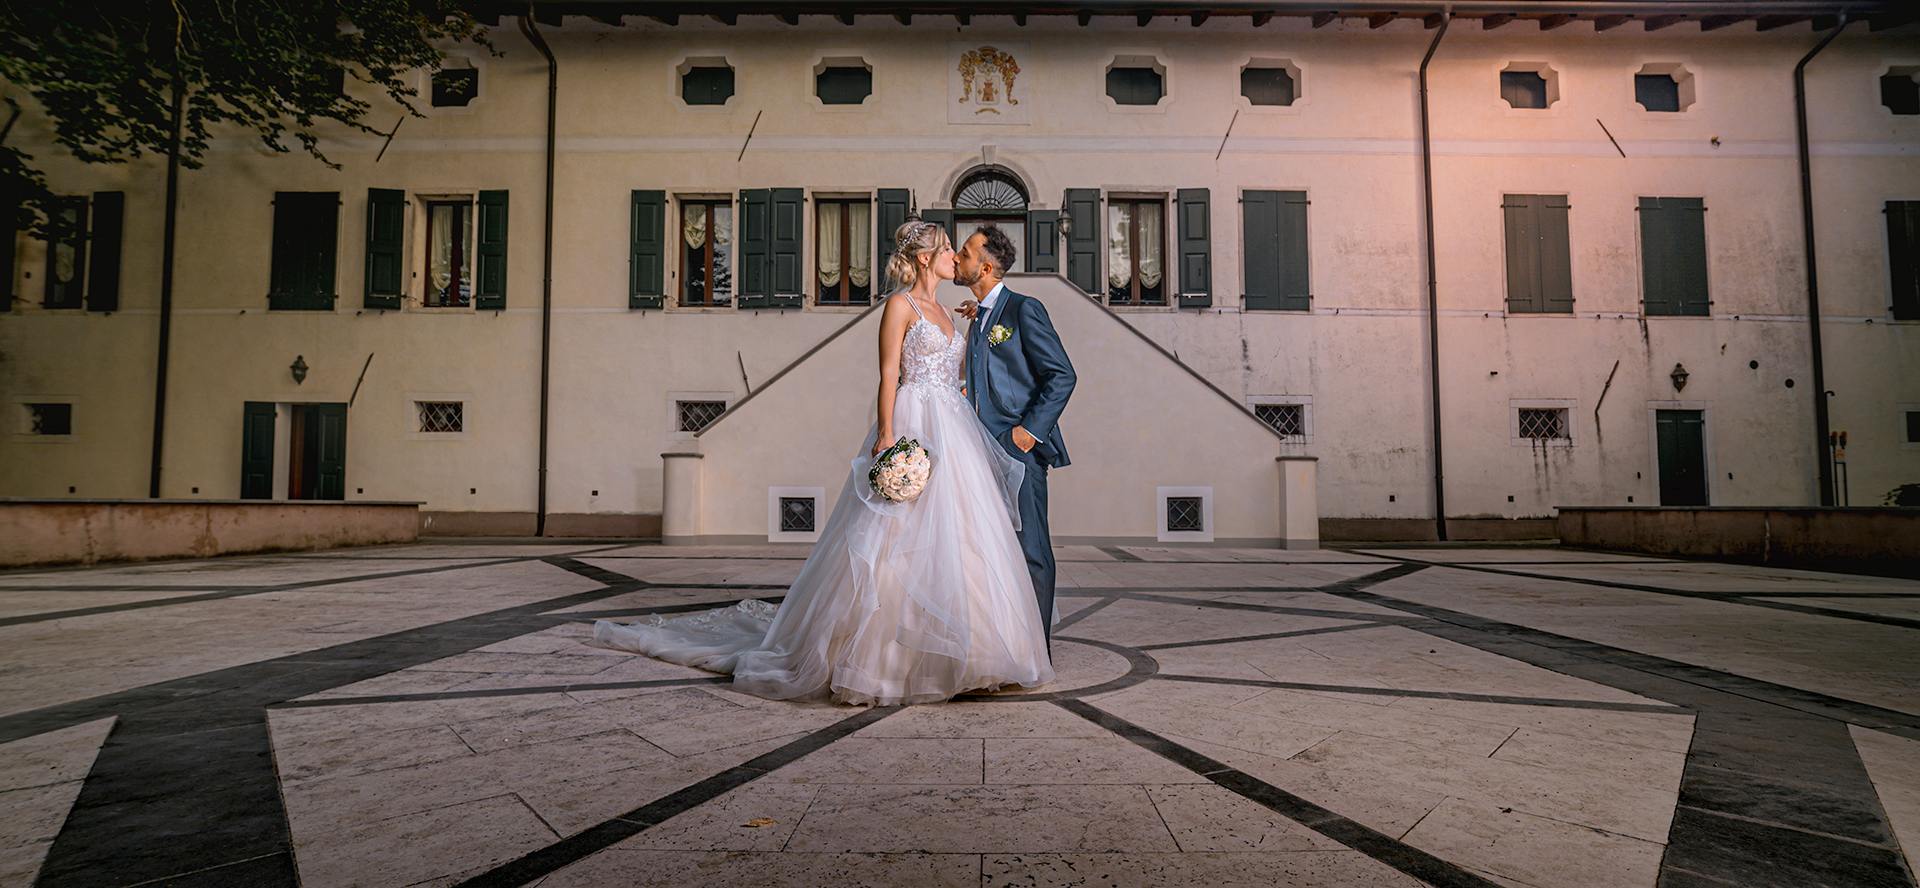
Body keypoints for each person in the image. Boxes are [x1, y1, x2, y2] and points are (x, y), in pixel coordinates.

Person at [591, 221, 1054, 706]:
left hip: (953, 426)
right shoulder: (900, 306)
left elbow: (960, 372)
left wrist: (975, 326)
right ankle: (888, 660)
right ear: (923, 259)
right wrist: (887, 431)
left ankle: (974, 654)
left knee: (960, 534)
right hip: (914, 418)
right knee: (894, 534)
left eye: (956, 253)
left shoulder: (951, 313)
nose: (952, 259)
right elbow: (889, 372)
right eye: (944, 251)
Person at [955, 225, 1077, 650]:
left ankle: (1036, 650)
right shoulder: (979, 315)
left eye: (966, 253)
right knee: (986, 547)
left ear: (986, 266)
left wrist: (1027, 433)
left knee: (1031, 548)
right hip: (976, 449)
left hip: (1016, 447)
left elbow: (1061, 375)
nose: (957, 258)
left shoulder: (1025, 309)